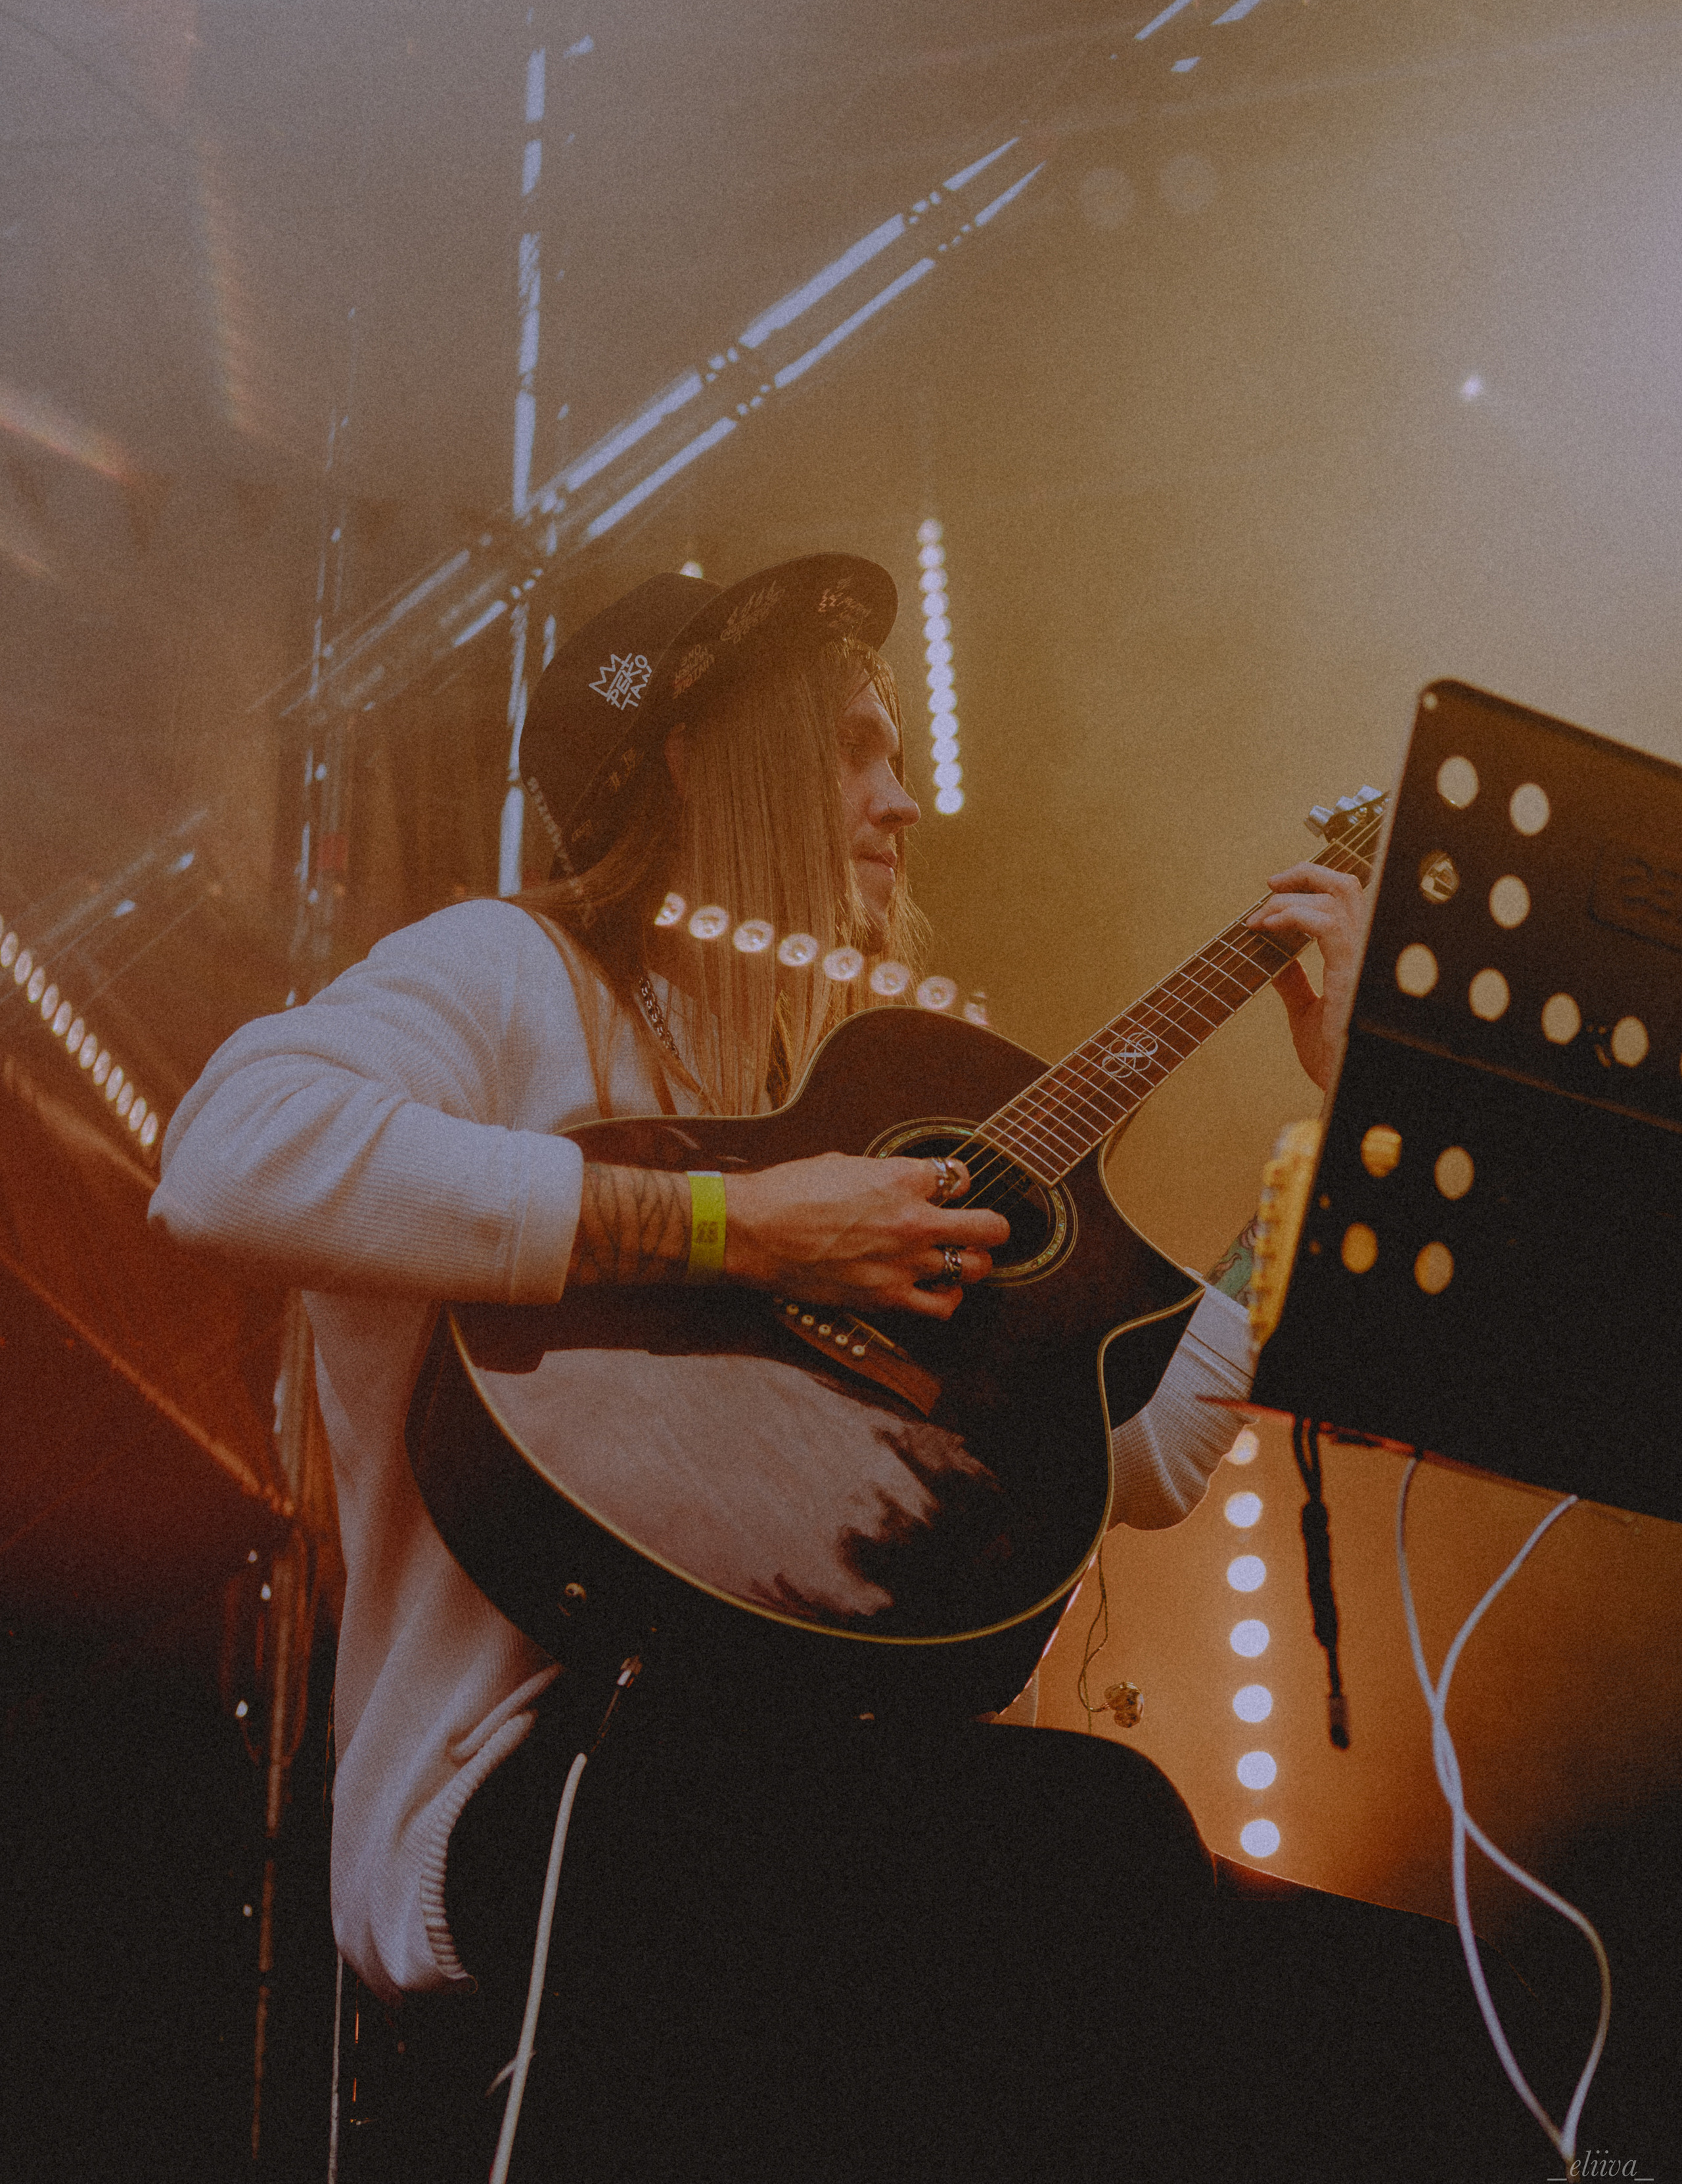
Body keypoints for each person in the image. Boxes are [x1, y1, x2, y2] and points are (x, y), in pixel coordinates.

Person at [152, 553, 1431, 2183]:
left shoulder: (831, 1099)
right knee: (1094, 1844)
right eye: (853, 750)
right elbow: (230, 1156)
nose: (904, 803)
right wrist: (736, 1227)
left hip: (806, 1779)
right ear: (699, 761)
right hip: (530, 1795)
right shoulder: (508, 973)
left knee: (1389, 1997)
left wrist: (1346, 1121)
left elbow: (1151, 1453)